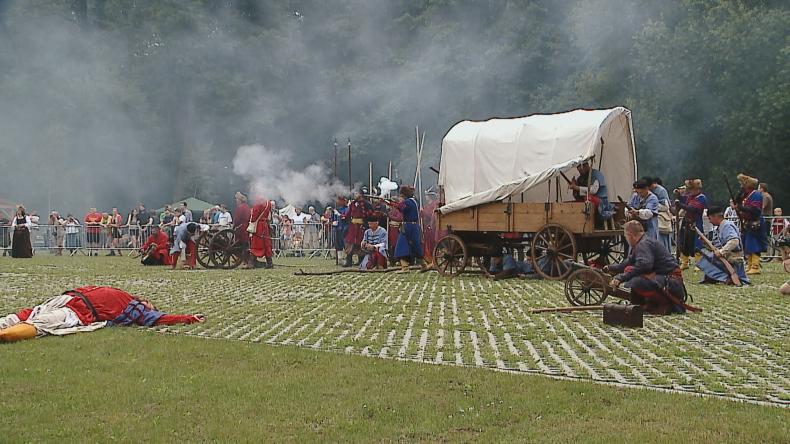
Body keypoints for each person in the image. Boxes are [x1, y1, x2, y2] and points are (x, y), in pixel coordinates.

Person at [0, 286, 204, 342]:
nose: (149, 305)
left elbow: (160, 318)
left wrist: (188, 318)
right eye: (149, 303)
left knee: (41, 324)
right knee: (25, 314)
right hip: (68, 298)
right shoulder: (125, 296)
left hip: (78, 311)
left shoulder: (137, 310)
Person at [605, 221, 695, 315]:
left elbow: (645, 265)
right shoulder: (643, 242)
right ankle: (646, 303)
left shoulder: (643, 244)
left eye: (626, 236)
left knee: (637, 282)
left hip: (671, 284)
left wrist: (621, 278)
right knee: (630, 270)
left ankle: (666, 304)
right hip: (668, 281)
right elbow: (627, 263)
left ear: (630, 235)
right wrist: (610, 268)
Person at [696, 206, 749, 285]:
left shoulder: (727, 225)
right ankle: (714, 277)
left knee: (705, 261)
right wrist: (705, 243)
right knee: (706, 255)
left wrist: (721, 252)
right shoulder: (718, 228)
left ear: (716, 216)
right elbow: (715, 246)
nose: (710, 221)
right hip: (726, 257)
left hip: (733, 258)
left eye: (710, 218)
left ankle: (726, 278)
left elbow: (734, 241)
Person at [389, 185, 429, 272]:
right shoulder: (414, 201)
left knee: (401, 245)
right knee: (415, 246)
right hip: (413, 226)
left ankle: (405, 267)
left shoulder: (408, 202)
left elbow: (402, 208)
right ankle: (423, 265)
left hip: (408, 226)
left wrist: (393, 204)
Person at [737, 173, 768, 275]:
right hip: (748, 222)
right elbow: (739, 201)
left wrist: (740, 208)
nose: (741, 186)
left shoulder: (755, 194)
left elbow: (755, 210)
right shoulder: (747, 194)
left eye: (742, 185)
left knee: (754, 244)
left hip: (755, 222)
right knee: (748, 244)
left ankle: (755, 266)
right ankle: (750, 264)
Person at [674, 179, 707, 270]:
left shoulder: (702, 198)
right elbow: (683, 199)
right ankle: (684, 262)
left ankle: (699, 264)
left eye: (692, 189)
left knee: (697, 244)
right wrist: (678, 195)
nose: (690, 191)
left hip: (696, 222)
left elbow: (693, 209)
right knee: (684, 243)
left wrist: (680, 205)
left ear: (697, 189)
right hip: (687, 222)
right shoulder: (690, 197)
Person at [343, 190, 372, 267]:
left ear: (361, 194)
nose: (355, 195)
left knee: (360, 243)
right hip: (353, 227)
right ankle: (348, 261)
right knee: (349, 242)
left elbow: (369, 214)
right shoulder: (352, 204)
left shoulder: (366, 204)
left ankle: (361, 261)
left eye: (357, 193)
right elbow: (348, 214)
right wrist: (343, 217)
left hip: (361, 226)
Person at [646, 177, 673, 252]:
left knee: (662, 241)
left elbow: (666, 206)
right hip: (654, 219)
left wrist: (653, 205)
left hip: (661, 219)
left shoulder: (661, 191)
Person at [246, 197, 273, 269]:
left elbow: (254, 214)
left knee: (256, 244)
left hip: (259, 226)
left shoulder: (259, 202)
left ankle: (251, 263)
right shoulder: (268, 203)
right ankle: (269, 263)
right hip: (265, 225)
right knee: (266, 244)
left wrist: (251, 221)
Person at [333, 196, 349, 263]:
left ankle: (347, 259)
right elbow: (333, 218)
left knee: (345, 244)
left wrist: (339, 215)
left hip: (345, 228)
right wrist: (333, 222)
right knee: (338, 244)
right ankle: (340, 259)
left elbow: (346, 217)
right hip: (338, 229)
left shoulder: (347, 209)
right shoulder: (337, 209)